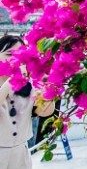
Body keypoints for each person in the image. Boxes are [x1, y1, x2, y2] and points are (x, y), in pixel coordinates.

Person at [0, 34, 50, 169]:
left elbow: (44, 112)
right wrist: (12, 80)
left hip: (21, 153)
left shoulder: (28, 86)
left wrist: (47, 87)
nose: (15, 59)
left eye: (20, 55)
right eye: (9, 54)